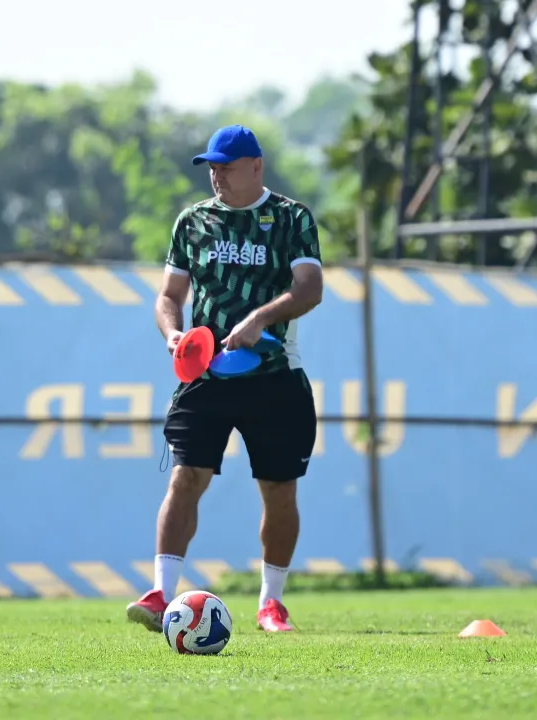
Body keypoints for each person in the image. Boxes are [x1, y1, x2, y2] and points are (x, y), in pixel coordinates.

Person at [125, 124, 323, 634]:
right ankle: (160, 595)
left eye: (226, 167)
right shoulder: (193, 221)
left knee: (279, 492)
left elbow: (310, 288)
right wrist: (173, 333)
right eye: (211, 167)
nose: (216, 176)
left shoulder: (290, 218)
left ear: (256, 166)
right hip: (206, 376)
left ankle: (270, 604)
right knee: (186, 478)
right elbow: (168, 297)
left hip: (276, 378)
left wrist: (259, 318)